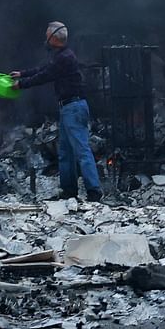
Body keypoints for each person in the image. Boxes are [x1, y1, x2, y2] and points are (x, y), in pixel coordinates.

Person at [11, 21, 104, 202]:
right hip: (69, 108)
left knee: (81, 149)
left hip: (74, 108)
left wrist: (21, 84)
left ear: (53, 38)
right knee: (66, 151)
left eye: (47, 36)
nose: (45, 39)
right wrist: (22, 74)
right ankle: (69, 191)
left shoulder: (65, 58)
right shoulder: (61, 56)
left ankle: (94, 191)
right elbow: (44, 69)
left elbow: (45, 75)